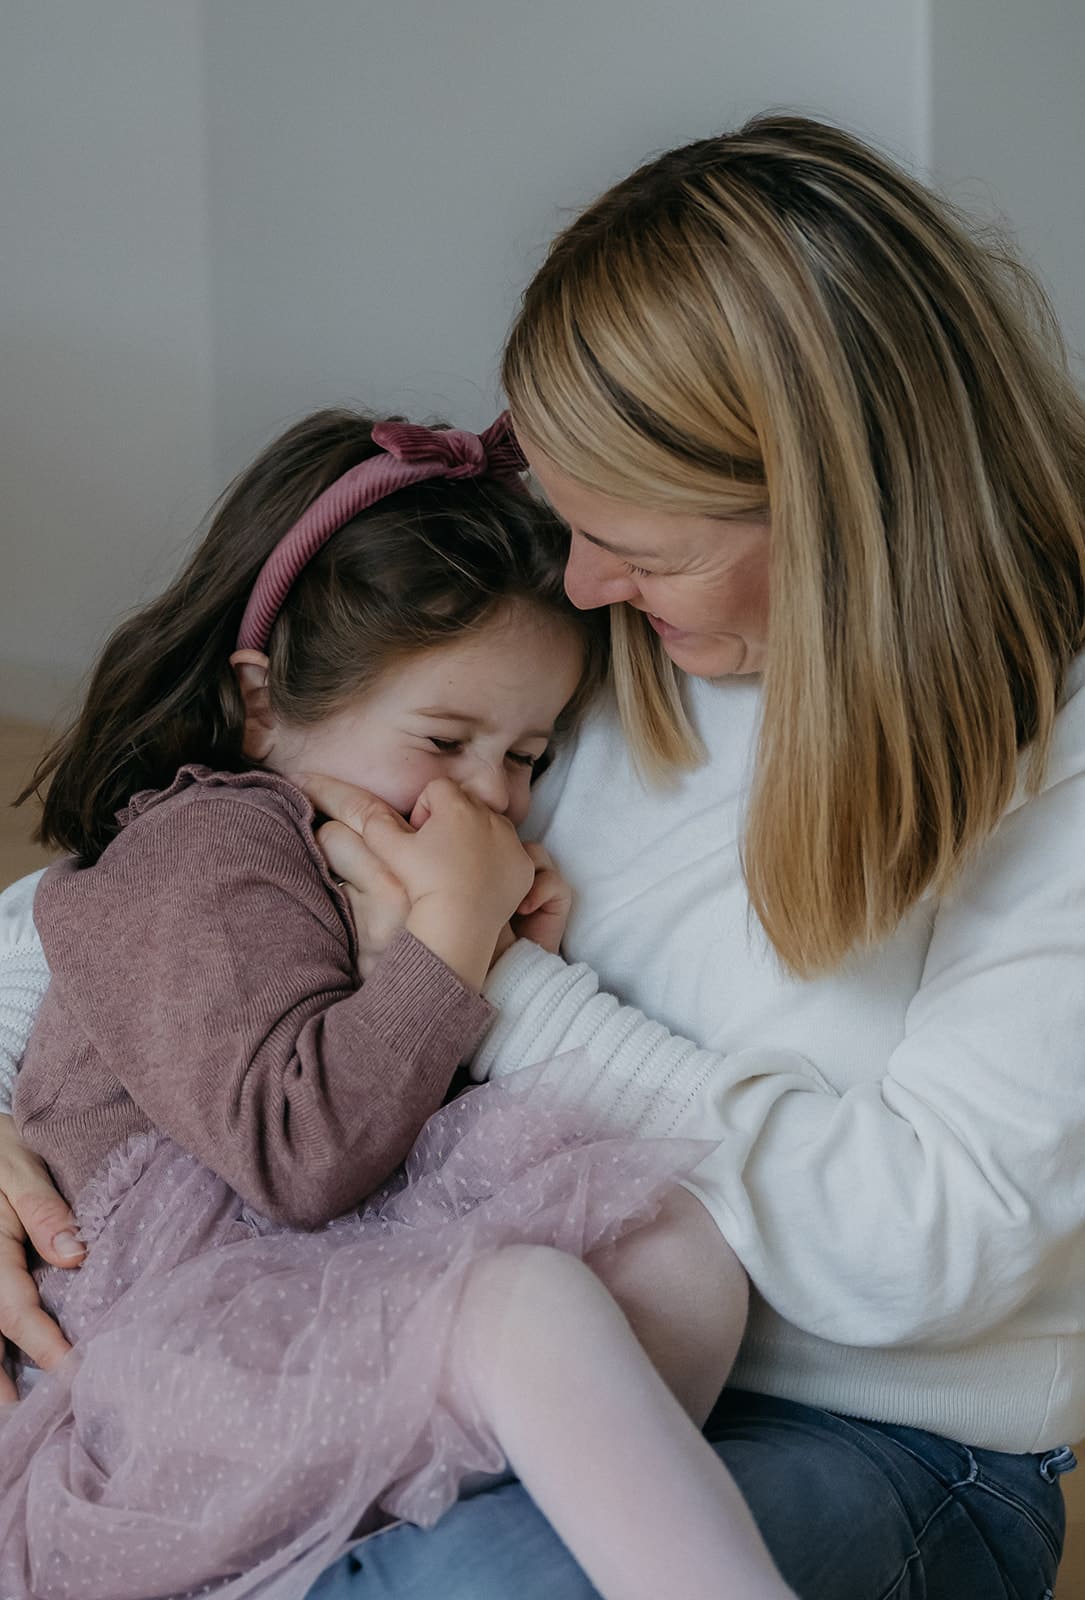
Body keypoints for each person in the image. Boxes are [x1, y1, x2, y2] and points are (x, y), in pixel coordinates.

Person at [0, 110, 1082, 1598]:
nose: (581, 581)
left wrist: (492, 978)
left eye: (642, 545)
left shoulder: (1057, 750)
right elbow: (118, 909)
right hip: (454, 1299)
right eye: (575, 525)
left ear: (836, 504)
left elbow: (925, 1247)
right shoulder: (594, 641)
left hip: (876, 1426)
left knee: (478, 1583)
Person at [0, 408, 797, 1600]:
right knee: (522, 1305)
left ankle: (446, 1505)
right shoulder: (203, 848)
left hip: (303, 1282)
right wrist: (449, 943)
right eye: (445, 738)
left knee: (675, 1244)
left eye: (525, 757)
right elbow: (301, 1152)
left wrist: (489, 959)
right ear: (263, 707)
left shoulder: (341, 841)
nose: (488, 798)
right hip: (156, 1355)